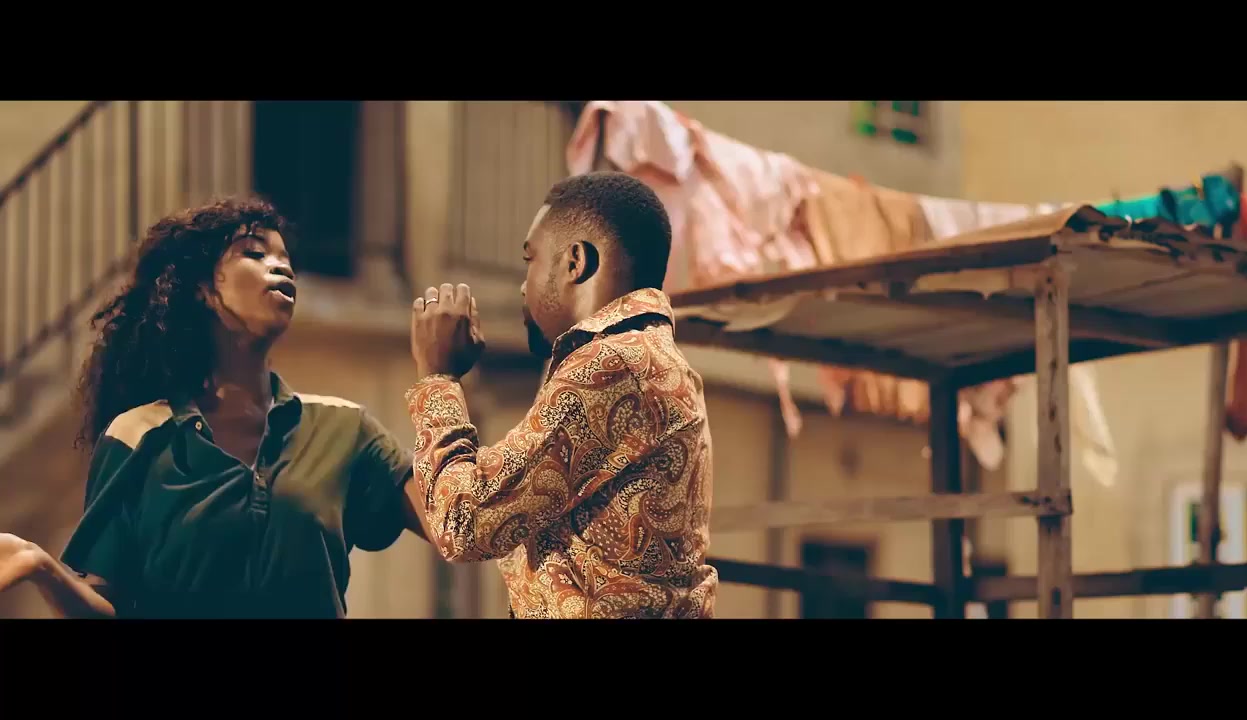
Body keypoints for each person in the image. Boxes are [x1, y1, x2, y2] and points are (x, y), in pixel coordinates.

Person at [0, 197, 427, 618]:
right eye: (255, 253)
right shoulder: (139, 435)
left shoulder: (345, 427)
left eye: (285, 258)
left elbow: (456, 528)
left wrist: (438, 378)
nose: (282, 267)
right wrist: (40, 566)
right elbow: (104, 608)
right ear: (203, 289)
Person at [407, 171, 718, 618]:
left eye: (530, 259)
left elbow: (463, 522)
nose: (523, 284)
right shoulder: (647, 359)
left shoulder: (611, 366)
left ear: (576, 262)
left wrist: (438, 376)